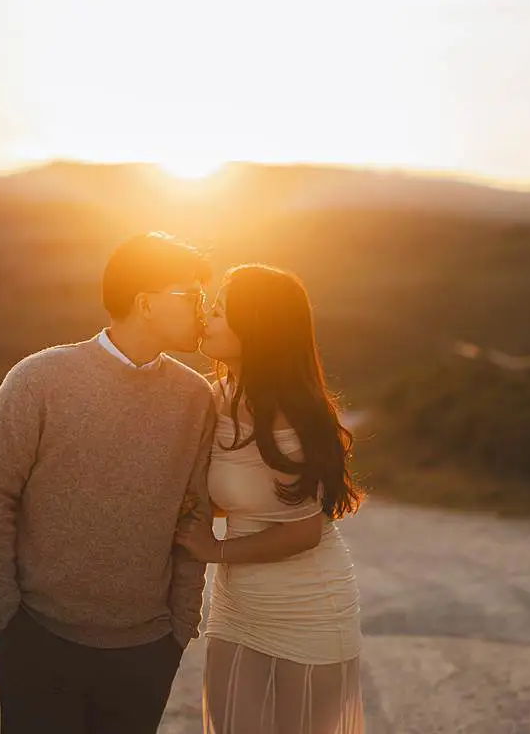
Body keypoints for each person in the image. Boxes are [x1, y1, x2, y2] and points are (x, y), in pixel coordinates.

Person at [0, 232, 216, 734]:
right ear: (146, 304)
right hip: (38, 636)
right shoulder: (39, 380)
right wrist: (2, 615)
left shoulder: (195, 397)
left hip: (146, 649)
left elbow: (196, 513)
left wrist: (181, 625)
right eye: (191, 297)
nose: (203, 312)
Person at [174, 263, 366, 733]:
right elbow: (238, 494)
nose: (207, 319)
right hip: (238, 608)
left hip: (308, 610)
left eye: (219, 311)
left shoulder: (294, 415)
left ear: (254, 327)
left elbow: (303, 530)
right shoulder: (215, 397)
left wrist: (214, 550)